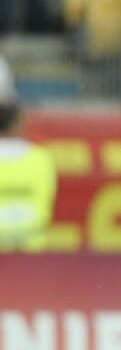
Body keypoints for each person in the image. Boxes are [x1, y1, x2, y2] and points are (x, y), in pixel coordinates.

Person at [0, 101, 56, 252]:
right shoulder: (41, 159)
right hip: (32, 246)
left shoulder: (41, 158)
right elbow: (47, 197)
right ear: (17, 125)